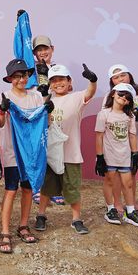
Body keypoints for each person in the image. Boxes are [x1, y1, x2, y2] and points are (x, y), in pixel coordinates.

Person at [35, 64, 97, 235]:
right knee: (47, 187)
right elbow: (43, 123)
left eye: (61, 79)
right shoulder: (46, 100)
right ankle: (41, 215)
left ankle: (76, 219)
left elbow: (89, 92)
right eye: (53, 80)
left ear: (69, 81)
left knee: (72, 187)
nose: (57, 83)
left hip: (71, 153)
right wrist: (44, 97)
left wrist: (92, 80)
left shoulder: (76, 98)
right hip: (50, 153)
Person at [0, 59, 52, 250]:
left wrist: (48, 109)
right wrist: (2, 111)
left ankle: (23, 225)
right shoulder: (5, 96)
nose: (21, 79)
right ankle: (5, 231)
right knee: (11, 190)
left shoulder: (36, 96)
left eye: (24, 75)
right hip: (13, 153)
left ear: (29, 76)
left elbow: (47, 121)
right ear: (10, 78)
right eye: (17, 76)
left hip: (32, 153)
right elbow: (0, 123)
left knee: (27, 189)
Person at [102, 64, 138, 215]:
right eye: (116, 77)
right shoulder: (110, 95)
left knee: (132, 172)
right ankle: (118, 204)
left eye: (123, 75)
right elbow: (105, 116)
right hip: (117, 142)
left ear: (129, 75)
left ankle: (132, 202)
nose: (120, 79)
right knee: (118, 173)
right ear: (111, 81)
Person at [94, 83, 138, 227]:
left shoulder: (129, 116)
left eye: (127, 96)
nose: (124, 97)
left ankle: (130, 211)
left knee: (128, 183)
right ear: (113, 94)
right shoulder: (104, 114)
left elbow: (132, 135)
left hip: (124, 155)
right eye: (121, 94)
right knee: (109, 181)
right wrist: (99, 157)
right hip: (108, 154)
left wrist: (135, 153)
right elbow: (99, 136)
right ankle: (110, 209)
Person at [30, 34, 65, 206]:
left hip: (55, 113)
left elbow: (66, 88)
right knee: (37, 151)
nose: (43, 52)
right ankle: (37, 188)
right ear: (34, 53)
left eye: (45, 48)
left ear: (53, 49)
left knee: (54, 150)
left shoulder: (59, 69)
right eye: (39, 50)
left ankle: (53, 189)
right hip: (37, 114)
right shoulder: (30, 70)